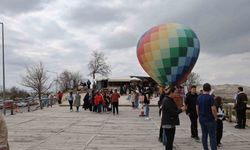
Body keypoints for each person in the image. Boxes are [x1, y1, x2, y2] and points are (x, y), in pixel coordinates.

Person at [196, 83, 217, 150]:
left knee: (204, 135)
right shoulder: (211, 98)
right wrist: (216, 117)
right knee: (212, 136)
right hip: (210, 119)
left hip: (202, 118)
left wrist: (199, 115)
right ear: (210, 89)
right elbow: (213, 109)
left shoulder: (199, 97)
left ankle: (205, 148)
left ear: (203, 89)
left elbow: (197, 107)